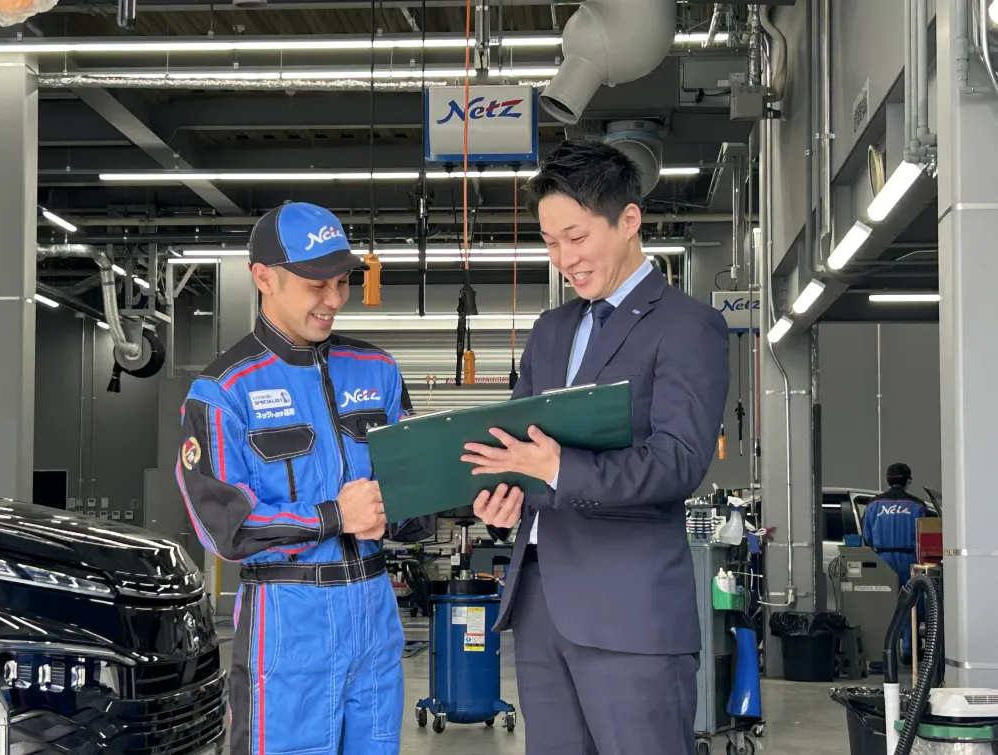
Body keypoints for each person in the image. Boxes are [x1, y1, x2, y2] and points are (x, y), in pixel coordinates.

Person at [462, 140, 730, 755]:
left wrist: (558, 468)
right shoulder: (550, 332)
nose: (564, 259)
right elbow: (513, 449)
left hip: (629, 614)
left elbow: (678, 461)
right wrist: (500, 500)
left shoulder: (685, 327)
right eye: (551, 243)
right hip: (539, 607)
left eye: (577, 238)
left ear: (629, 220)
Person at [176, 201, 431, 755]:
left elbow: (415, 502)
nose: (334, 300)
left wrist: (455, 489)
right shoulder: (223, 392)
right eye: (315, 284)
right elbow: (226, 528)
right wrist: (336, 517)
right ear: (263, 277)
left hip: (374, 613)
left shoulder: (379, 372)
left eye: (340, 282)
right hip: (286, 625)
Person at [862, 462, 928, 655]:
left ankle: (880, 653)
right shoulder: (918, 505)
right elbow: (924, 537)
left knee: (882, 605)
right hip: (910, 561)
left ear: (888, 480)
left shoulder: (873, 505)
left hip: (882, 561)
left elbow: (867, 538)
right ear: (908, 481)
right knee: (910, 604)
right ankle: (909, 651)